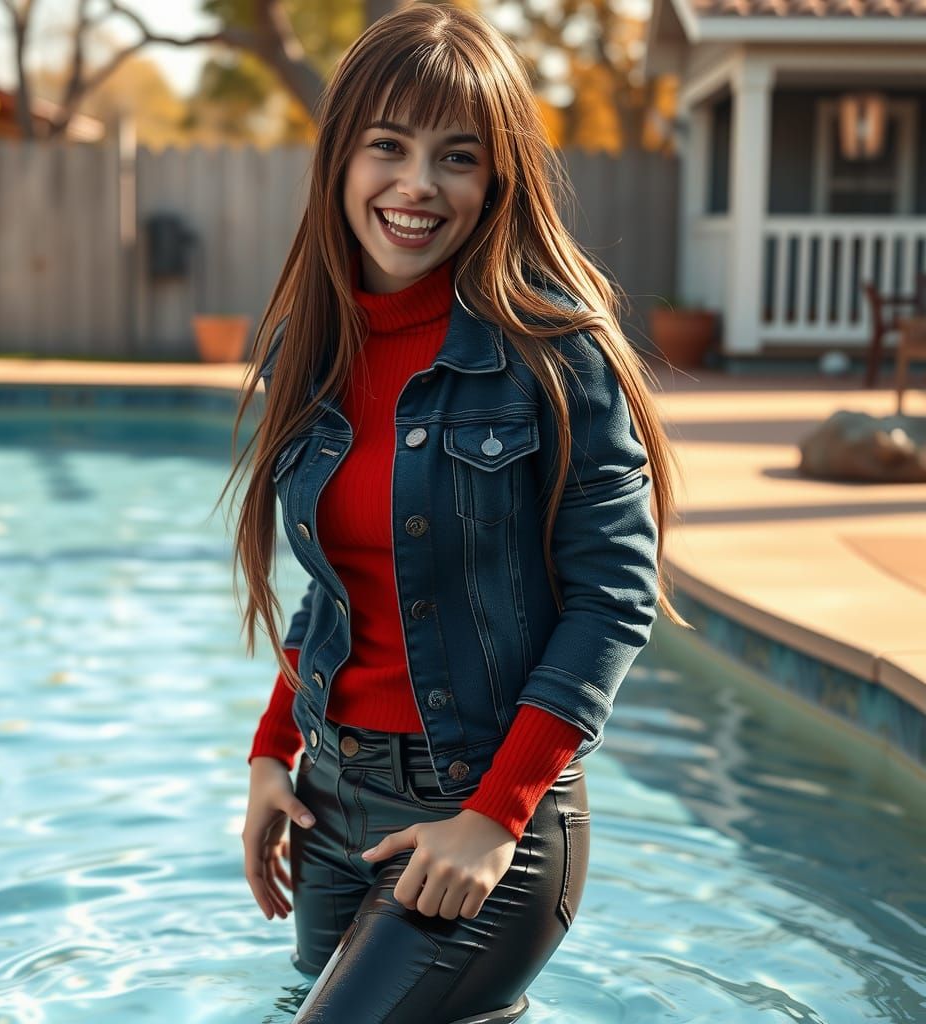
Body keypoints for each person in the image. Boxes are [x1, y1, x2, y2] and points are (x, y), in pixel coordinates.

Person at [218, 4, 689, 1020]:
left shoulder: (557, 354)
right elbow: (338, 592)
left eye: (457, 156)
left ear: (497, 180)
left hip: (482, 812)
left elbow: (614, 598)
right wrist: (270, 755)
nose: (417, 185)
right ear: (340, 159)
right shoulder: (317, 344)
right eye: (387, 146)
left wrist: (493, 815)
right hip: (330, 801)